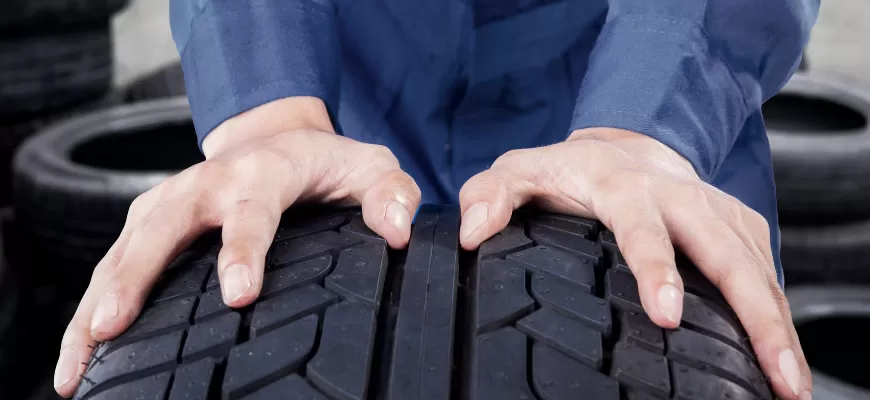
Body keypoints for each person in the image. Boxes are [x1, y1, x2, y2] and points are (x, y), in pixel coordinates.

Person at [54, 0, 818, 398]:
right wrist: (266, 109)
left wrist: (648, 125)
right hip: (344, 85)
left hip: (638, 78)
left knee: (664, 313)